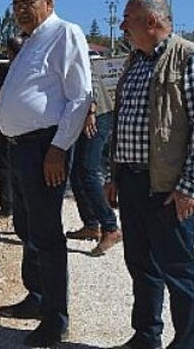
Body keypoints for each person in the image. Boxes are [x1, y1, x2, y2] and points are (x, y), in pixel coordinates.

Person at [106, 0, 194, 349]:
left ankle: (184, 344)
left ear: (152, 22)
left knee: (179, 270)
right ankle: (146, 336)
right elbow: (123, 122)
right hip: (133, 182)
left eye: (128, 19)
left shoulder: (192, 59)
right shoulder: (135, 62)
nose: (122, 25)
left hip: (169, 188)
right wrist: (114, 174)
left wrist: (191, 186)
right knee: (141, 264)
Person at [0, 0, 91, 347]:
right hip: (20, 147)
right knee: (27, 227)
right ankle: (36, 297)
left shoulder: (65, 33)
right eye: (15, 4)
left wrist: (58, 148)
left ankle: (55, 320)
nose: (19, 10)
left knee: (48, 235)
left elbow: (79, 97)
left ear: (47, 2)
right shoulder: (32, 40)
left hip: (43, 148)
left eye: (26, 2)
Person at [65, 57, 122, 255]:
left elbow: (91, 81)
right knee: (76, 172)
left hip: (96, 115)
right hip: (82, 116)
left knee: (87, 170)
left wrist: (91, 110)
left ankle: (110, 227)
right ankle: (91, 224)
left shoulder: (71, 51)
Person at [0, 35, 25, 217]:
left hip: (6, 122)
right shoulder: (31, 69)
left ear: (9, 52)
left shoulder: (4, 69)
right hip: (27, 125)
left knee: (4, 164)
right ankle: (23, 208)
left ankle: (7, 204)